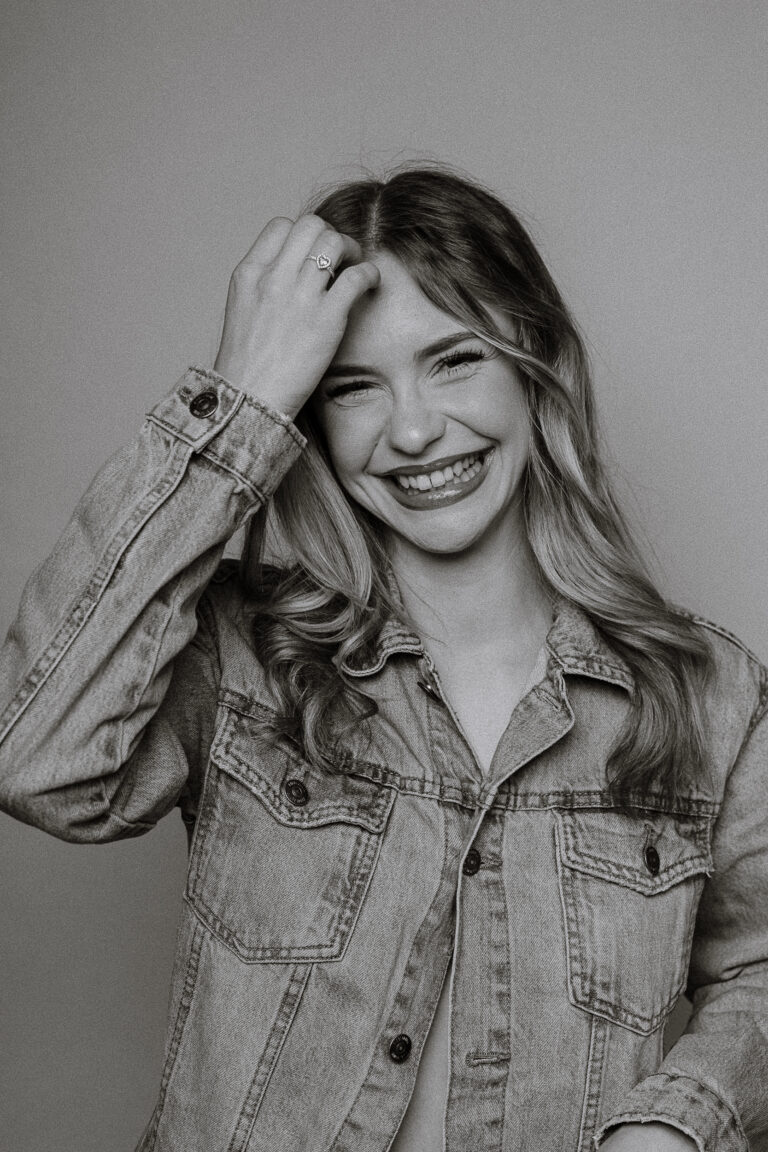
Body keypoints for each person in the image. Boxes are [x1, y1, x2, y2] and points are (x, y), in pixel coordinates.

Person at [0, 165, 766, 1152]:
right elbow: (37, 760)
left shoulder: (708, 697)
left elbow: (756, 971)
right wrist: (239, 406)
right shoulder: (244, 658)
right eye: (353, 388)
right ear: (309, 418)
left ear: (533, 359)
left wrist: (678, 1124)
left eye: (452, 361)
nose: (412, 430)